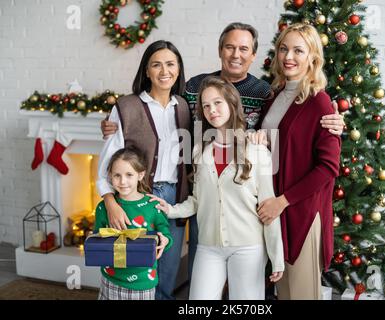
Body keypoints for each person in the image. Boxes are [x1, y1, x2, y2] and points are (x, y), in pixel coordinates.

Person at [100, 22, 344, 291]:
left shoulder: (266, 94)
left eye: (243, 48)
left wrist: (335, 122)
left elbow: (309, 152)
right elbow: (164, 109)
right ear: (220, 50)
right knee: (180, 270)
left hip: (257, 200)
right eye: (229, 47)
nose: (236, 54)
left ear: (253, 55)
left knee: (262, 287)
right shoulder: (195, 88)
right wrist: (116, 122)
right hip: (200, 190)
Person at [151, 76, 284, 300]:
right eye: (206, 105)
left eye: (217, 102)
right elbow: (197, 200)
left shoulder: (257, 151)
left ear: (232, 103)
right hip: (208, 246)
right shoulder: (199, 152)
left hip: (248, 247)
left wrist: (276, 256)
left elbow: (269, 207)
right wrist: (170, 209)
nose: (212, 110)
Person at [96, 40, 191, 300]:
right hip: (133, 200)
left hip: (173, 198)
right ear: (146, 71)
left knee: (166, 269)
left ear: (179, 69)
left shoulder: (184, 107)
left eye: (170, 64)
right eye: (156, 65)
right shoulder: (125, 107)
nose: (164, 71)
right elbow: (106, 164)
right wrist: (111, 202)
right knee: (130, 270)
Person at [254, 23, 342, 300]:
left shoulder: (320, 102)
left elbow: (328, 168)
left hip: (301, 210)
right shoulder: (275, 97)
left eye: (298, 50)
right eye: (283, 48)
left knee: (301, 294)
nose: (288, 56)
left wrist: (282, 202)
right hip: (276, 209)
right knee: (285, 291)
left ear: (313, 57)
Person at [94, 146, 172, 300]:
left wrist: (165, 240)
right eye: (117, 175)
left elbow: (166, 234)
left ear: (140, 174)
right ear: (110, 176)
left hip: (143, 282)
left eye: (129, 174)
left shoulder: (152, 206)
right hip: (111, 279)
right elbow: (97, 238)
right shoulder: (104, 207)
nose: (123, 181)